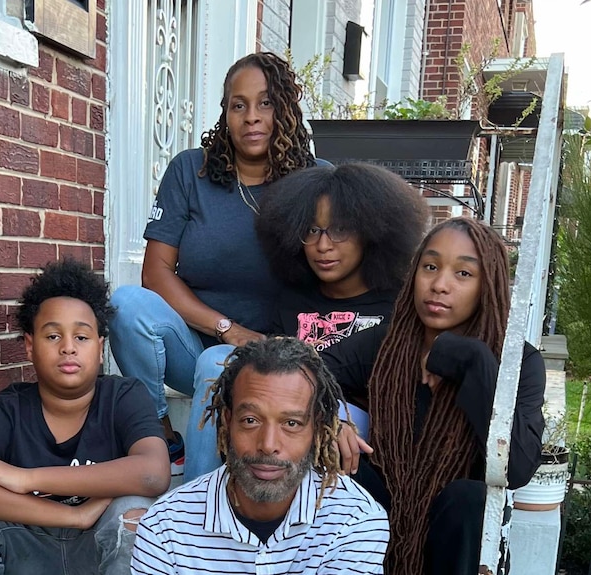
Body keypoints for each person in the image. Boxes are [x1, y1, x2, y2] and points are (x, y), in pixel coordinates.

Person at [108, 52, 322, 480]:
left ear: (285, 109)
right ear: (225, 112)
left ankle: (196, 504)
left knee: (217, 365)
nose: (251, 117)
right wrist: (226, 327)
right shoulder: (192, 170)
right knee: (126, 305)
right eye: (237, 105)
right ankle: (159, 437)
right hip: (195, 342)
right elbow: (156, 273)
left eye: (265, 103)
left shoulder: (315, 181)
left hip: (271, 352)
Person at [323, 217, 546, 574]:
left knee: (471, 498)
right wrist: (331, 421)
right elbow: (303, 374)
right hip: (381, 516)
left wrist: (475, 360)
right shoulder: (386, 345)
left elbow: (516, 468)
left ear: (488, 285)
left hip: (455, 539)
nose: (439, 285)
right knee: (334, 470)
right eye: (430, 267)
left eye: (463, 274)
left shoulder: (519, 363)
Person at [183, 162, 428, 478]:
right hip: (291, 417)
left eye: (340, 230)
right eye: (311, 230)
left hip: (364, 434)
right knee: (219, 362)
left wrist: (332, 414)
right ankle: (199, 498)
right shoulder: (293, 297)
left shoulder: (398, 302)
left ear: (372, 233)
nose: (323, 246)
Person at [0, 259, 170, 575]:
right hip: (26, 546)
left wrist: (25, 478)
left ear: (99, 346)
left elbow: (153, 473)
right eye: (53, 336)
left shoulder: (123, 396)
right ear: (29, 346)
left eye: (81, 337)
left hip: (97, 548)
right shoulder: (8, 408)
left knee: (133, 511)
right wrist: (73, 516)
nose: (68, 348)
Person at [130, 337, 389, 575]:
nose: (268, 445)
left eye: (291, 424)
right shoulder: (165, 526)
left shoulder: (355, 521)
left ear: (317, 429)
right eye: (251, 420)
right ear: (227, 422)